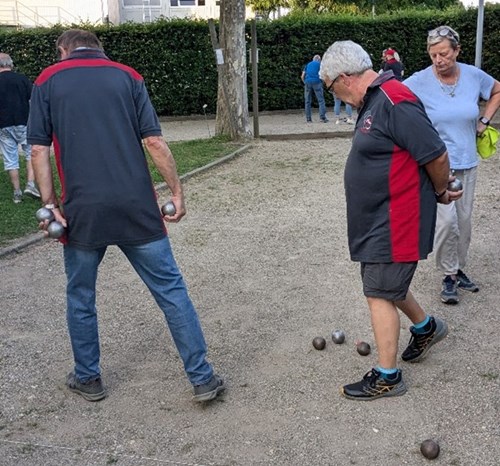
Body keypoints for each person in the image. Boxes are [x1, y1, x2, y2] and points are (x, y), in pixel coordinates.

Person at [27, 29, 225, 403]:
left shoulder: (47, 80)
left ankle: (88, 378)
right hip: (137, 206)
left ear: (63, 50)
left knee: (81, 296)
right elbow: (154, 141)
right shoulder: (128, 76)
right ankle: (202, 378)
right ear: (99, 49)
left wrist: (50, 205)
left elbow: (39, 150)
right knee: (171, 291)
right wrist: (177, 192)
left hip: (83, 211)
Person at [320, 40, 461, 400]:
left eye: (331, 88)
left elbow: (436, 154)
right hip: (379, 217)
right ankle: (426, 328)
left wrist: (441, 190)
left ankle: (388, 377)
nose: (335, 95)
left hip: (398, 217)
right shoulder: (375, 101)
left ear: (344, 77)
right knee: (384, 282)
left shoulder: (394, 99)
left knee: (379, 291)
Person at [404, 25, 500, 304]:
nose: (438, 60)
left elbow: (497, 90)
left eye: (444, 54)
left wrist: (484, 120)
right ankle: (448, 275)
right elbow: (395, 98)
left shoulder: (473, 75)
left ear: (457, 51)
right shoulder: (419, 81)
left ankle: (458, 269)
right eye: (433, 55)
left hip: (467, 161)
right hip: (436, 165)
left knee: (464, 222)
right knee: (447, 223)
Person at [0, 53, 40, 203]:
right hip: (24, 121)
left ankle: (17, 193)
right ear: (10, 64)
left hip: (3, 125)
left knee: (10, 158)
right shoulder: (22, 79)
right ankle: (30, 184)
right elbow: (33, 99)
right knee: (30, 153)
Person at [301, 54, 328, 123]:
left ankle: (308, 119)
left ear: (313, 59)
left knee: (307, 101)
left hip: (308, 82)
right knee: (321, 100)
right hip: (317, 82)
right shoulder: (320, 65)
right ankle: (322, 118)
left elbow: (302, 76)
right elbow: (323, 75)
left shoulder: (308, 64)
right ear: (319, 60)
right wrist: (322, 82)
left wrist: (305, 82)